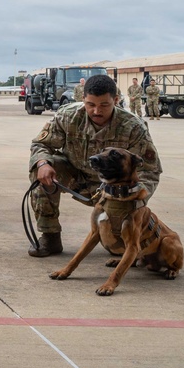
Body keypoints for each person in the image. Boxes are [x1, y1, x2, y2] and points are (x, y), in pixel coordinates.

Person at [27, 75, 161, 257]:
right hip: (76, 178)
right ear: (83, 99)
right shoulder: (67, 116)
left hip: (116, 190)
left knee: (118, 250)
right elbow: (40, 144)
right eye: (91, 104)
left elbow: (149, 171)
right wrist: (42, 163)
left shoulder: (133, 126)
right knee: (41, 169)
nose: (97, 111)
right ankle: (50, 237)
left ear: (116, 100)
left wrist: (135, 200)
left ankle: (117, 234)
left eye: (104, 105)